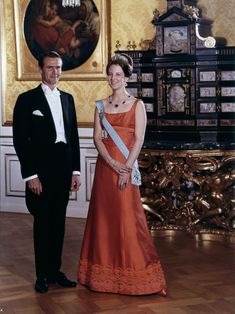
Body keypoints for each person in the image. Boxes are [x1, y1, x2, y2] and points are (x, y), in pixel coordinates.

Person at [78, 53, 167, 296]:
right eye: (110, 74)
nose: (113, 78)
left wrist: (125, 168)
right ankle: (102, 275)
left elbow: (138, 140)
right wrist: (111, 163)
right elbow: (97, 138)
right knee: (103, 219)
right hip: (105, 169)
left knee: (128, 219)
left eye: (118, 74)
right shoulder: (100, 105)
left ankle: (135, 272)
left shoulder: (137, 105)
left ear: (127, 78)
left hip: (126, 170)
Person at [13, 51, 81, 293]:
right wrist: (31, 176)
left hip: (64, 170)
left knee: (58, 223)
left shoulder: (68, 99)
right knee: (43, 223)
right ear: (41, 69)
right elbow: (20, 141)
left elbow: (73, 137)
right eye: (50, 67)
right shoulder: (26, 100)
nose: (55, 72)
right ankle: (41, 275)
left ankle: (55, 271)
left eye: (59, 67)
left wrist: (76, 170)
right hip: (40, 173)